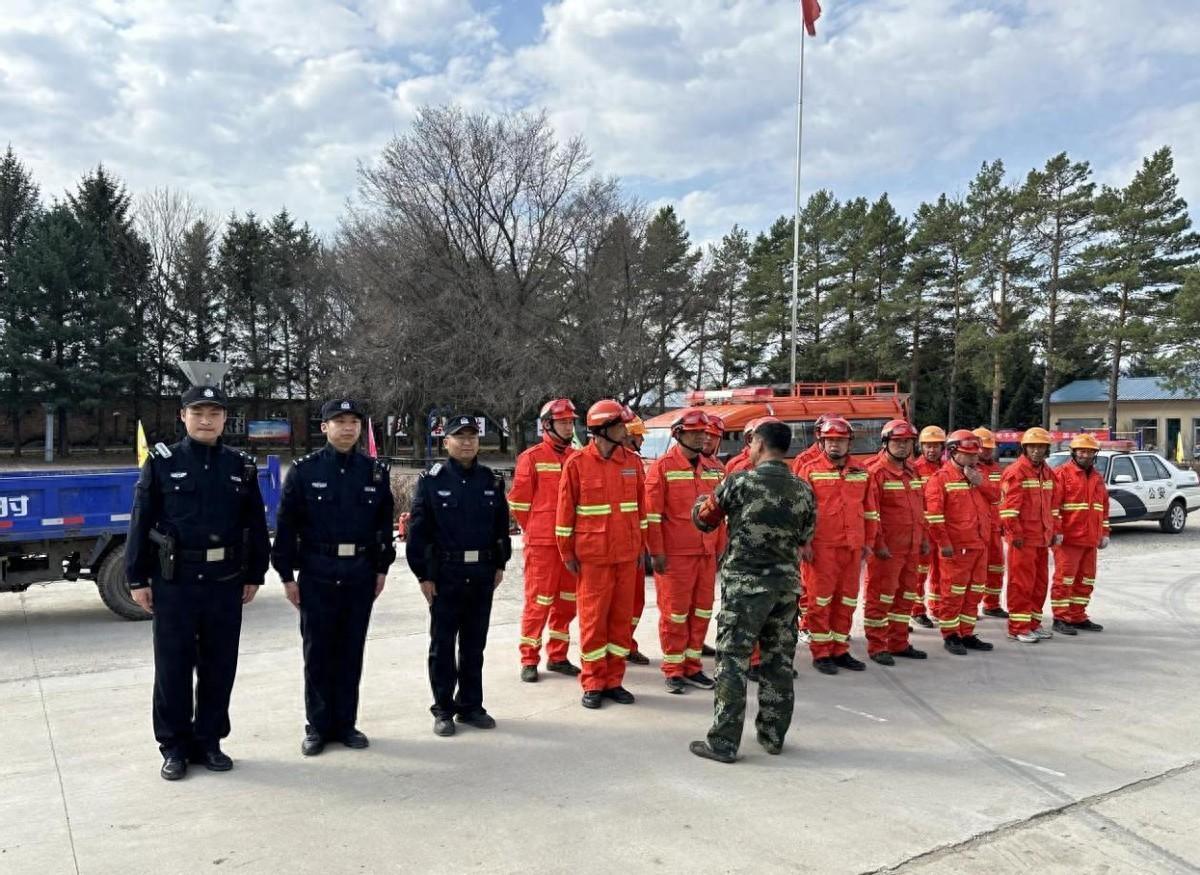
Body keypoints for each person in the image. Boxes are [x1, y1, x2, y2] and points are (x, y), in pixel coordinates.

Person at [125, 381, 270, 781]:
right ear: (183, 416)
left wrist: (256, 572)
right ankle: (173, 746)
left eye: (215, 413)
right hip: (175, 583)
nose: (206, 420)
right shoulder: (162, 461)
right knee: (172, 667)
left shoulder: (240, 465)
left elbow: (254, 524)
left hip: (225, 582)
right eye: (198, 413)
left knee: (219, 665)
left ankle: (209, 741)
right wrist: (137, 577)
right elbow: (140, 520)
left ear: (225, 419)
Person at [272, 399, 396, 756]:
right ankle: (317, 726)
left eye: (353, 421)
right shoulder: (304, 471)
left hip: (359, 573)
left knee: (350, 650)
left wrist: (381, 568)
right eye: (338, 421)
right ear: (324, 427)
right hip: (317, 572)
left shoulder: (374, 472)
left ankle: (346, 724)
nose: (347, 428)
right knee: (318, 652)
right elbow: (286, 526)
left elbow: (383, 526)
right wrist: (286, 575)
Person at [687, 420, 816, 763]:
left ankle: (724, 742)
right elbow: (805, 536)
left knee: (732, 661)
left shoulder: (740, 482)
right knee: (779, 663)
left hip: (745, 589)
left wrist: (702, 501)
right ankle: (773, 736)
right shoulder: (803, 489)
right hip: (786, 589)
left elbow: (704, 519)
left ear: (759, 443)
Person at [406, 415, 512, 736]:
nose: (467, 442)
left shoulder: (490, 481)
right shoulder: (432, 481)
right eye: (459, 436)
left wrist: (499, 564)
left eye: (472, 436)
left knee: (473, 645)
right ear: (445, 442)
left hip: (481, 574)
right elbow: (419, 533)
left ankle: (470, 705)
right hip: (445, 575)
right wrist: (424, 575)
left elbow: (500, 528)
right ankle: (443, 709)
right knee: (442, 645)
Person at [556, 400, 647, 709]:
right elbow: (565, 514)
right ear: (603, 429)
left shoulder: (632, 463)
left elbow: (641, 511)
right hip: (592, 558)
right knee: (594, 622)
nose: (626, 430)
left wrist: (641, 547)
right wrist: (566, 552)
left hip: (625, 556)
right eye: (621, 425)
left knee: (620, 621)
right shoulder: (577, 464)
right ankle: (594, 681)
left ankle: (614, 681)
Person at [793, 417, 879, 675]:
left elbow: (870, 510)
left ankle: (840, 649)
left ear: (849, 442)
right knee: (820, 602)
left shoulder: (861, 471)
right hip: (821, 548)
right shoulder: (809, 469)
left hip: (852, 547)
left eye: (840, 441)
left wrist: (869, 542)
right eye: (830, 440)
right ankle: (821, 653)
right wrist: (803, 542)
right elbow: (801, 511)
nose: (834, 446)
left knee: (847, 600)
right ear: (822, 441)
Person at [645, 409, 720, 694]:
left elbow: (720, 513)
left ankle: (693, 666)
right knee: (675, 614)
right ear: (679, 435)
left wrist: (720, 548)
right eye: (696, 432)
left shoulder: (714, 468)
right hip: (675, 555)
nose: (702, 437)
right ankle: (673, 670)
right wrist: (656, 552)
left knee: (701, 611)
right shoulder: (662, 467)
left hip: (706, 553)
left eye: (704, 432)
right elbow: (652, 516)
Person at [509, 399, 581, 682]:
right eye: (563, 422)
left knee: (567, 602)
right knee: (538, 602)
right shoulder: (532, 457)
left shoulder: (577, 457)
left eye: (570, 422)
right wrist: (537, 531)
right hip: (543, 546)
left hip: (571, 546)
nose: (568, 426)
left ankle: (558, 656)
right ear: (547, 424)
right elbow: (519, 502)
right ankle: (529, 659)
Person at [922, 430, 995, 655]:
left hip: (979, 545)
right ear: (953, 452)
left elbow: (997, 498)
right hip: (956, 548)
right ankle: (951, 634)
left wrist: (980, 483)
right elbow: (934, 517)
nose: (974, 459)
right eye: (968, 454)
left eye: (975, 454)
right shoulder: (940, 479)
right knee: (953, 593)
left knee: (974, 592)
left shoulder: (978, 475)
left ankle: (967, 633)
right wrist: (944, 543)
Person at [863, 420, 929, 665]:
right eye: (897, 442)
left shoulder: (913, 471)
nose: (903, 447)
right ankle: (877, 645)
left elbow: (919, 510)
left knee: (905, 597)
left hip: (910, 548)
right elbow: (872, 514)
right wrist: (878, 544)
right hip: (887, 550)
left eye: (907, 442)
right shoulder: (876, 472)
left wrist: (922, 539)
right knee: (881, 597)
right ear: (886, 443)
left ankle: (898, 642)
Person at [999, 427, 1062, 644]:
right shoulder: (1016, 472)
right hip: (1023, 540)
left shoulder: (1047, 473)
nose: (1037, 451)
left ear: (1046, 449)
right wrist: (1014, 534)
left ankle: (1033, 623)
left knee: (1039, 583)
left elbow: (1053, 507)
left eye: (1041, 447)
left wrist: (1054, 531)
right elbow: (1008, 510)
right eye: (1033, 447)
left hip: (1041, 539)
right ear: (1025, 448)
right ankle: (1017, 627)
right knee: (1021, 584)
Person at [1050, 433, 1109, 634]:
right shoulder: (1061, 474)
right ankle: (1060, 617)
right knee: (1064, 580)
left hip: (1090, 539)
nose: (1086, 455)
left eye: (1090, 451)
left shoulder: (1097, 478)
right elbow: (1053, 507)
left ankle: (1077, 616)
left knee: (1086, 579)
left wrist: (1105, 532)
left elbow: (1103, 507)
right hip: (1068, 540)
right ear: (1073, 452)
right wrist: (1056, 532)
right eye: (1082, 451)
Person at [623, 411, 652, 665]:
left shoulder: (634, 463)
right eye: (639, 437)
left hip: (634, 545)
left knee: (636, 601)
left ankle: (626, 644)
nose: (643, 442)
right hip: (612, 547)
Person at [912, 426, 947, 629]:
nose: (932, 450)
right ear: (921, 447)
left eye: (935, 446)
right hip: (923, 530)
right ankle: (917, 610)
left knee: (941, 572)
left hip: (941, 530)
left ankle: (937, 607)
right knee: (920, 572)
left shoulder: (946, 469)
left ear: (942, 447)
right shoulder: (915, 469)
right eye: (927, 446)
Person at [972, 428, 1008, 619]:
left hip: (994, 526)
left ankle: (992, 604)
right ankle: (971, 607)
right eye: (983, 448)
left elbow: (1001, 496)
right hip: (976, 528)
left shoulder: (996, 469)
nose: (987, 452)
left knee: (996, 567)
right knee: (976, 570)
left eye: (989, 448)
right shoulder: (967, 468)